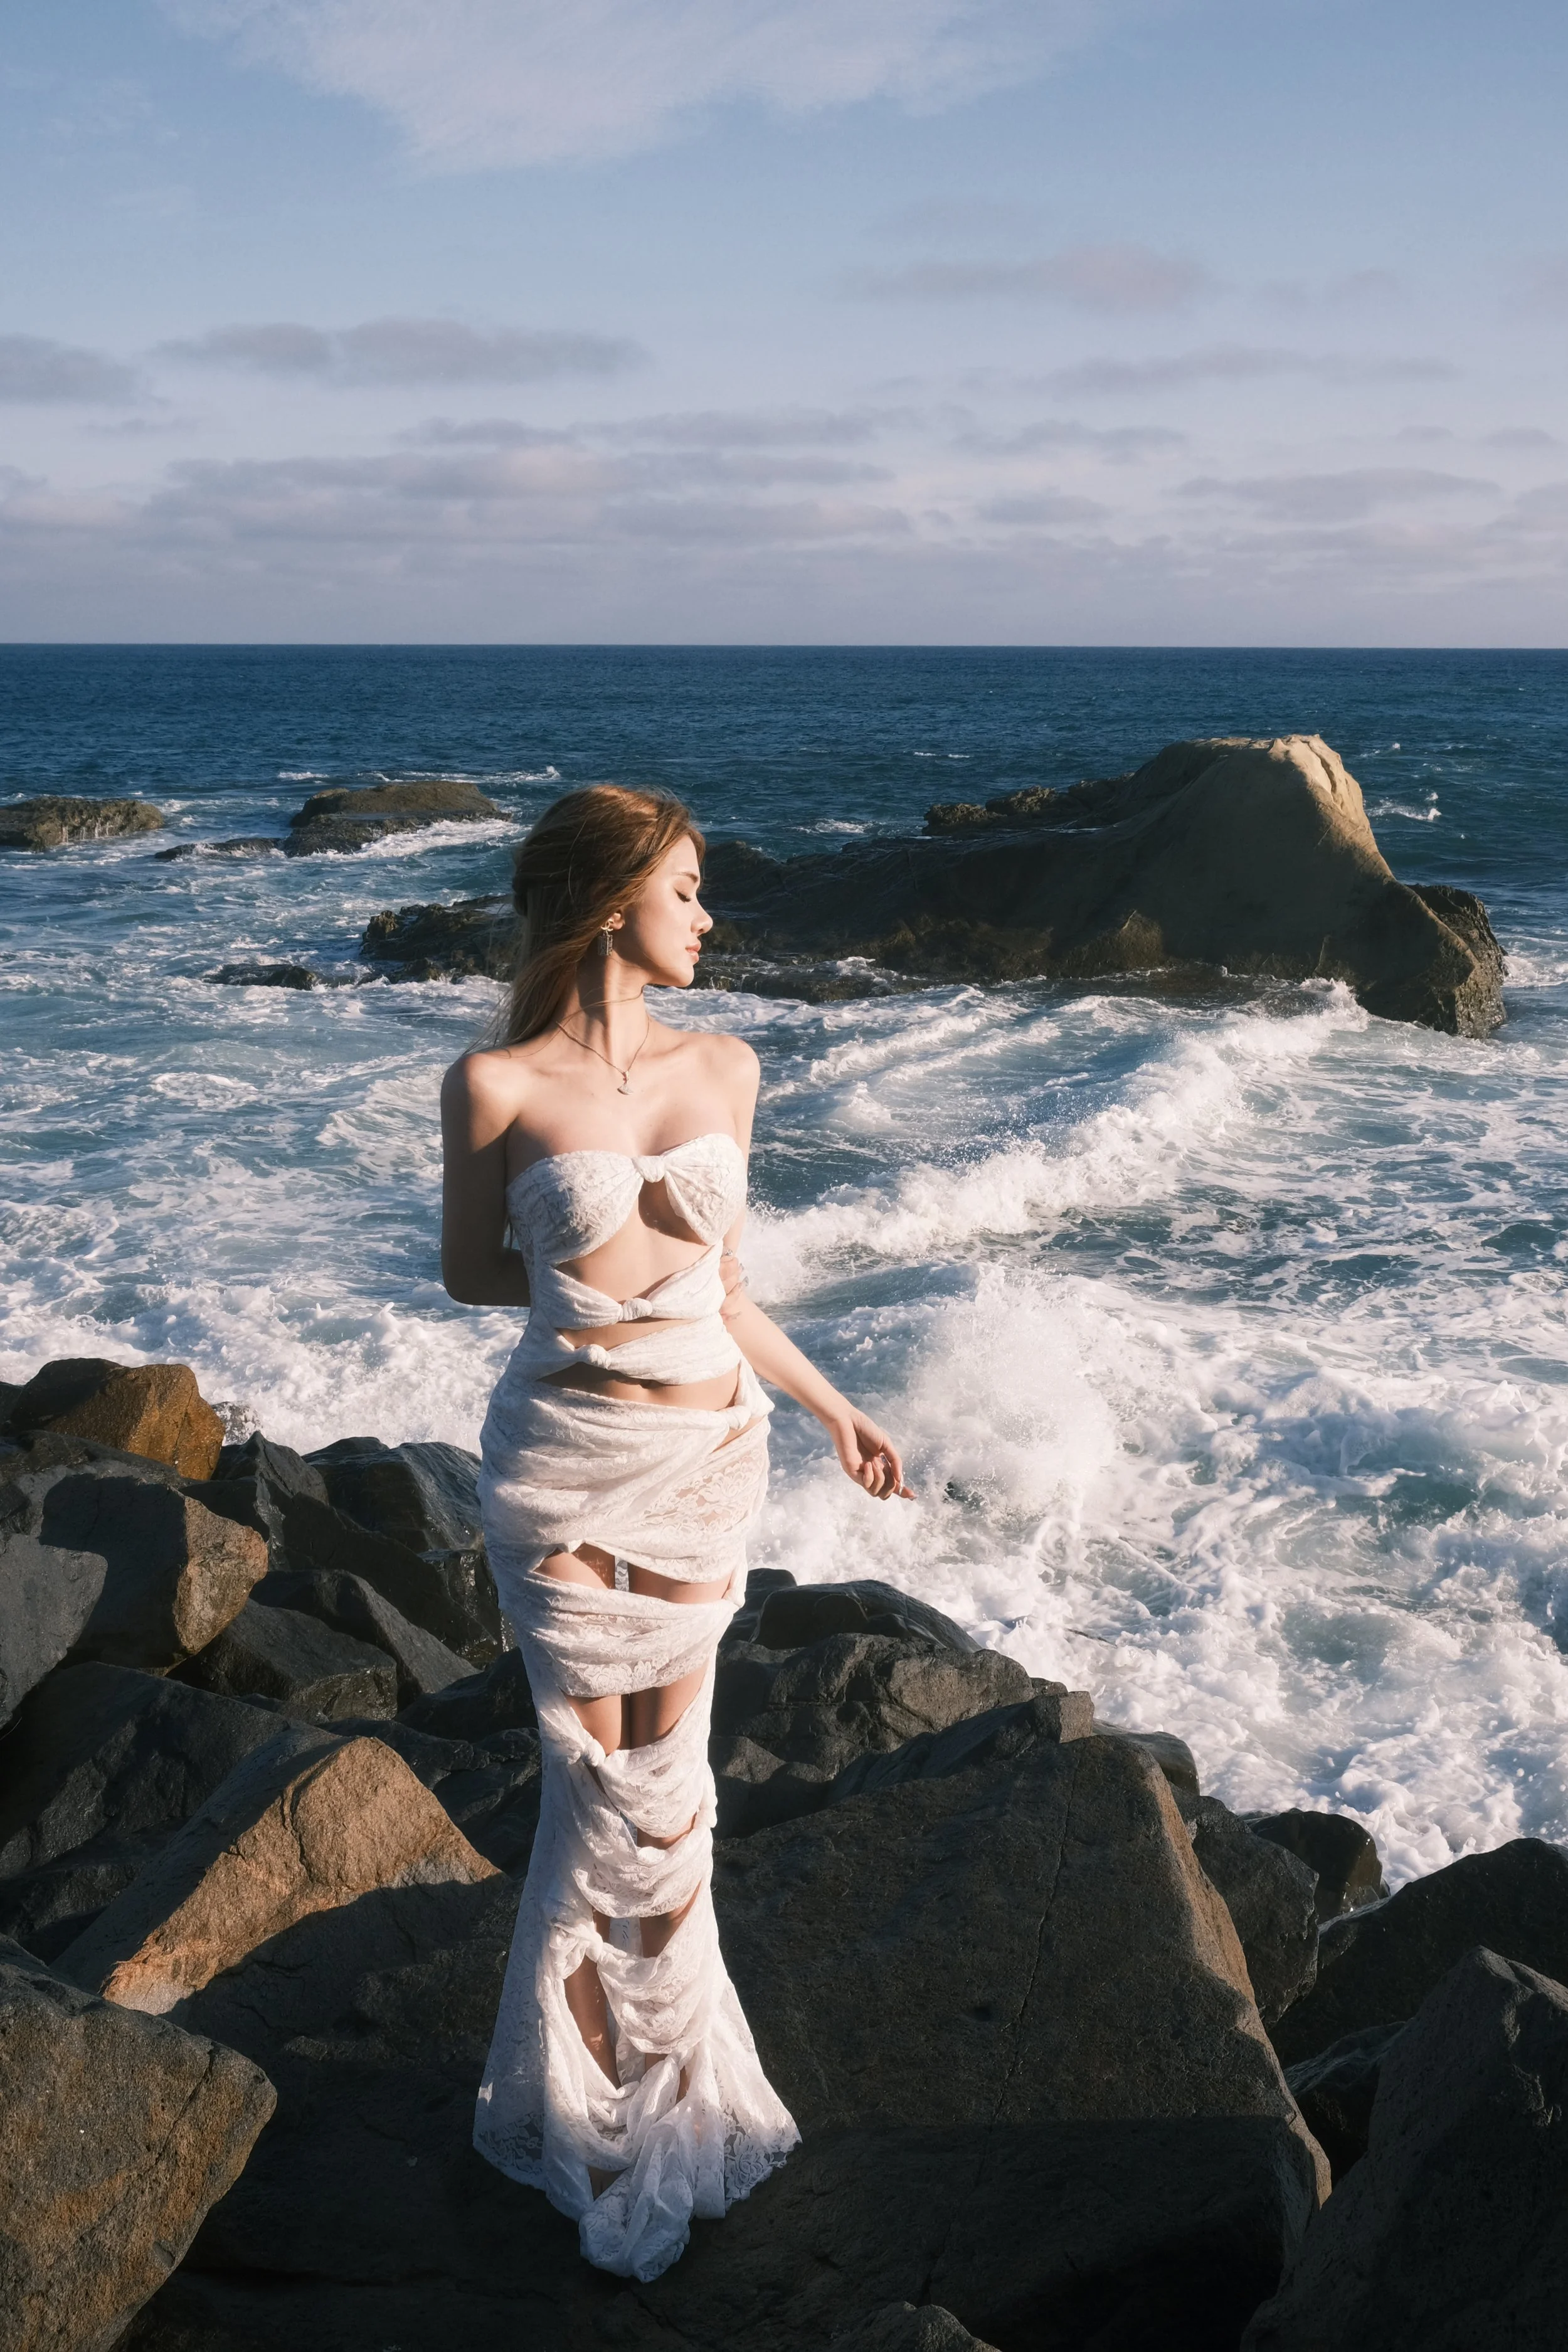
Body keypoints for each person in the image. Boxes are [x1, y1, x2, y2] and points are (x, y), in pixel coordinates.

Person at [440, 784, 911, 2283]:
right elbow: (470, 1275)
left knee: (672, 1793)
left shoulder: (726, 1066)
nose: (707, 917)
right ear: (608, 901)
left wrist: (833, 1409)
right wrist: (594, 1301)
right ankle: (593, 2130)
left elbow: (728, 1284)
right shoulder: (493, 1083)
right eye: (687, 889)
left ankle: (669, 2106)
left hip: (707, 1454)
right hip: (562, 1463)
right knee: (593, 1796)